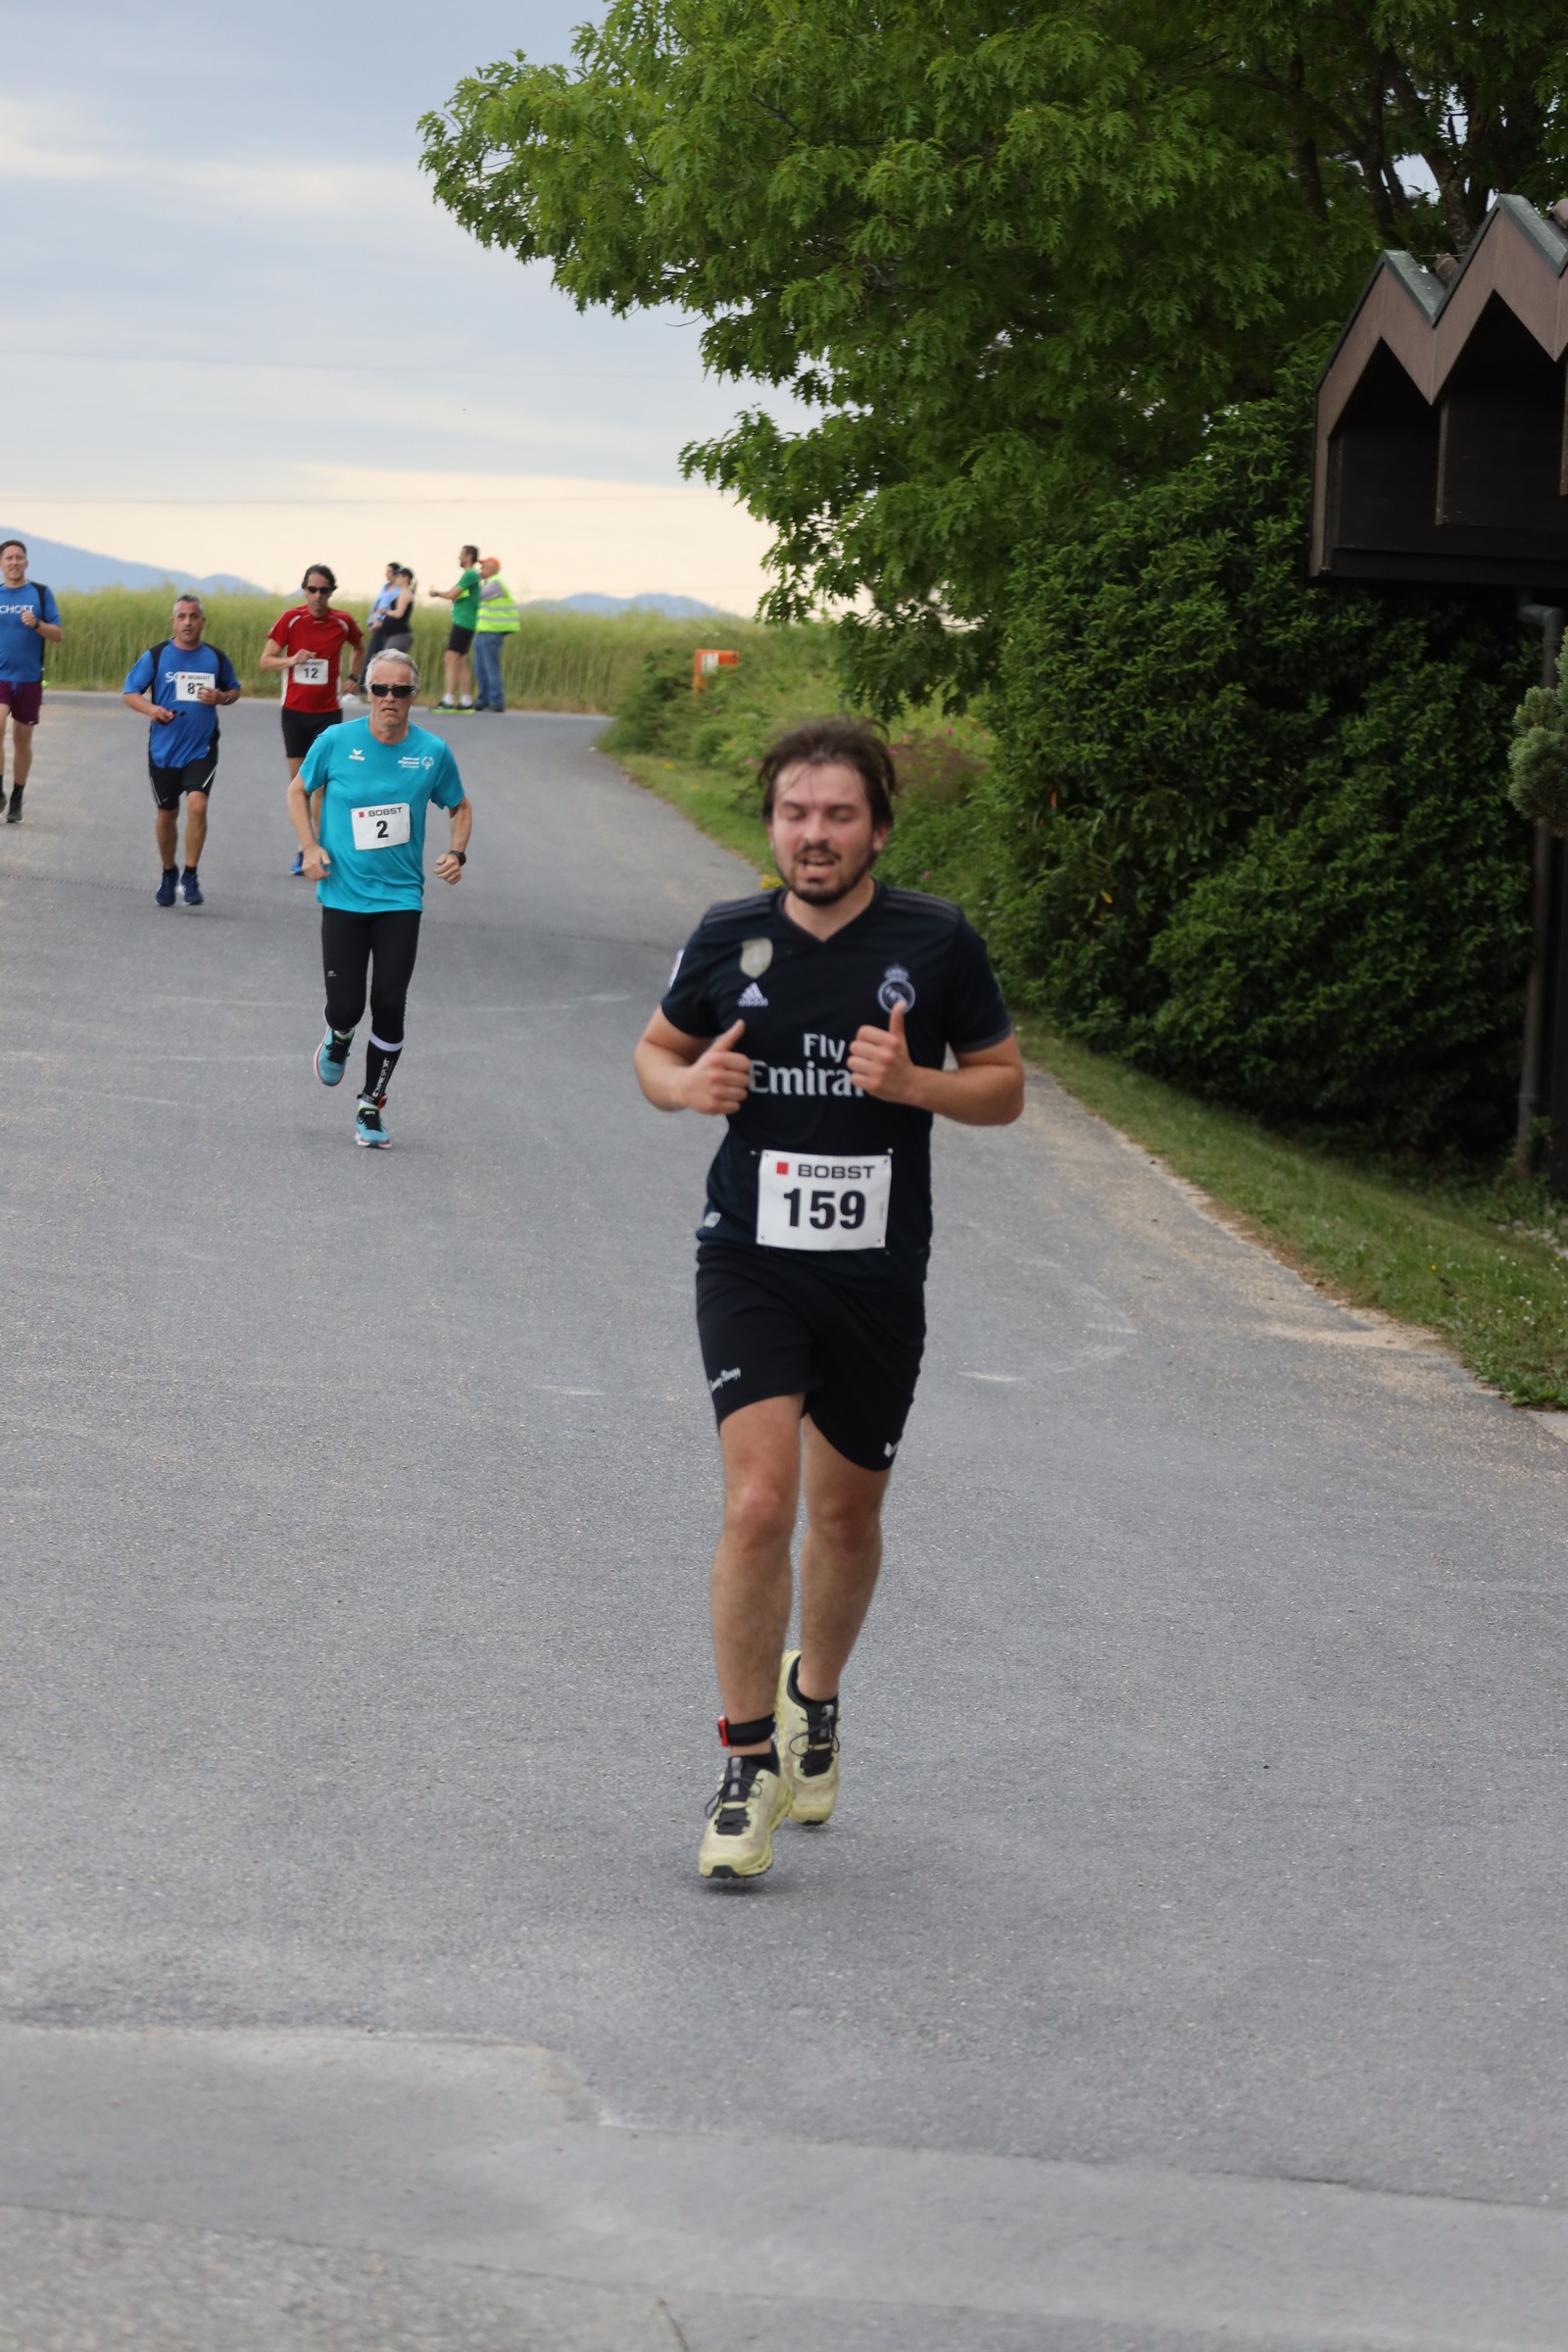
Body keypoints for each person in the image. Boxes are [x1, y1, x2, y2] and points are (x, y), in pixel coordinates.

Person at [633, 718, 1025, 1884]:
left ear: (878, 830)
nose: (815, 834)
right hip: (749, 1259)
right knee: (760, 1504)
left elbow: (1003, 1088)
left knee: (844, 1519)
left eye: (838, 815)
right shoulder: (727, 936)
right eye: (796, 814)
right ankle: (745, 1765)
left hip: (875, 1276)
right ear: (770, 826)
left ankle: (816, 1694)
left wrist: (916, 1084)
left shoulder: (934, 939)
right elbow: (653, 1054)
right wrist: (685, 1087)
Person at [289, 647, 472, 1150]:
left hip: (400, 899)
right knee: (346, 1007)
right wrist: (309, 846)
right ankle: (339, 1035)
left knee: (390, 1002)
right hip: (343, 894)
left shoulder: (432, 752)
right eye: (381, 689)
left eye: (401, 690)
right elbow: (297, 790)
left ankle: (370, 1105)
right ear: (368, 692)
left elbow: (459, 806)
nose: (390, 698)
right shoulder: (336, 741)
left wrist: (457, 852)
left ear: (415, 695)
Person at [121, 594, 241, 907]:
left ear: (203, 621)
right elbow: (130, 692)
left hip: (201, 748)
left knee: (197, 806)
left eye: (194, 616)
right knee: (167, 814)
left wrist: (222, 698)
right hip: (163, 750)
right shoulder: (157, 655)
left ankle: (190, 874)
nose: (188, 622)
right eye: (182, 617)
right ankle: (168, 872)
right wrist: (151, 710)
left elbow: (234, 689)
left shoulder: (215, 657)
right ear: (173, 622)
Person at [260, 565, 365, 874]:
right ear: (304, 590)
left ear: (332, 591)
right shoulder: (291, 619)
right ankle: (303, 847)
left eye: (324, 590)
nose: (318, 595)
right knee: (300, 785)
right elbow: (265, 661)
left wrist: (353, 677)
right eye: (312, 589)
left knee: (323, 785)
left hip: (328, 712)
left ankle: (317, 847)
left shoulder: (343, 622)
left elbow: (359, 646)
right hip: (294, 712)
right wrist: (292, 659)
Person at [0, 538, 64, 825]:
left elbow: (57, 634)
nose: (14, 562)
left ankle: (17, 795)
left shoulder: (40, 593)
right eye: (9, 558)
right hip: (1, 677)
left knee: (22, 738)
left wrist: (37, 624)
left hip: (28, 679)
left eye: (18, 557)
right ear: (1, 564)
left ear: (26, 562)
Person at [428, 544, 481, 710]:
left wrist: (436, 593)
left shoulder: (470, 574)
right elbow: (456, 595)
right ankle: (466, 700)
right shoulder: (470, 576)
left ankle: (449, 699)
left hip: (463, 622)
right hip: (466, 621)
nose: (459, 557)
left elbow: (452, 594)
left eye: (462, 554)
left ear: (469, 557)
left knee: (450, 658)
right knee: (461, 660)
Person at [472, 557, 519, 711]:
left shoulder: (495, 583)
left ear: (492, 568)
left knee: (490, 667)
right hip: (483, 630)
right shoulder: (489, 583)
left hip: (493, 631)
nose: (481, 570)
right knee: (480, 668)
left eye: (484, 567)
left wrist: (470, 582)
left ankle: (496, 701)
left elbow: (477, 596)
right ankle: (483, 700)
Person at [363, 562, 414, 685]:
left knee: (388, 659)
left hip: (399, 634)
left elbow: (399, 613)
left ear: (405, 578)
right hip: (389, 632)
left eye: (399, 576)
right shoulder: (399, 592)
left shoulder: (405, 593)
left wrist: (385, 611)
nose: (397, 578)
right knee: (382, 659)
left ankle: (396, 685)